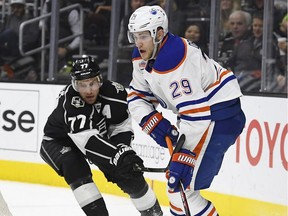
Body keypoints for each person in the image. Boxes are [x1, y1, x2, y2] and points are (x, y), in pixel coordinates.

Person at [127, 5, 246, 215]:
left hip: (218, 116)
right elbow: (137, 96)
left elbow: (197, 116)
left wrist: (185, 152)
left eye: (144, 36)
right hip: (204, 117)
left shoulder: (174, 58)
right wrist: (156, 125)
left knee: (180, 185)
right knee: (179, 188)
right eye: (135, 36)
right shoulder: (143, 55)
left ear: (159, 34)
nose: (138, 42)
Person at [40, 56, 163, 216]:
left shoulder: (116, 92)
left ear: (100, 80)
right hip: (59, 142)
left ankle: (154, 214)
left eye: (92, 83)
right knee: (75, 168)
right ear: (74, 85)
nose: (88, 90)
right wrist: (118, 155)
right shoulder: (70, 101)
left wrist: (123, 150)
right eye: (82, 85)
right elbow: (88, 141)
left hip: (100, 140)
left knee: (129, 174)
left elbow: (121, 126)